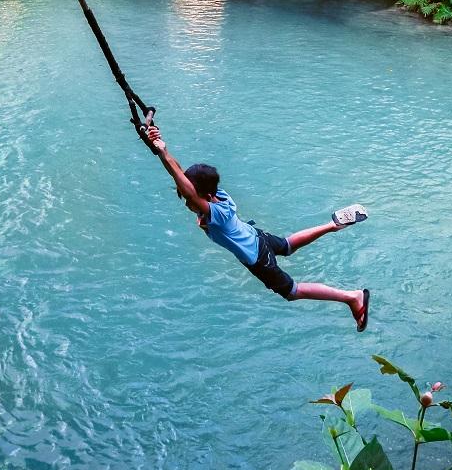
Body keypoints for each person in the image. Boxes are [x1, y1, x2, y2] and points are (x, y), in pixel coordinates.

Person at [145, 125, 371, 331]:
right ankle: (332, 225)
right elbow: (182, 179)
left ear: (203, 195)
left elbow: (187, 189)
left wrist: (164, 154)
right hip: (256, 236)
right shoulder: (219, 196)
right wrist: (163, 148)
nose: (187, 203)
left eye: (190, 200)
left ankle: (352, 297)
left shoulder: (217, 214)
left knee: (292, 291)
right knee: (287, 245)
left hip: (256, 256)